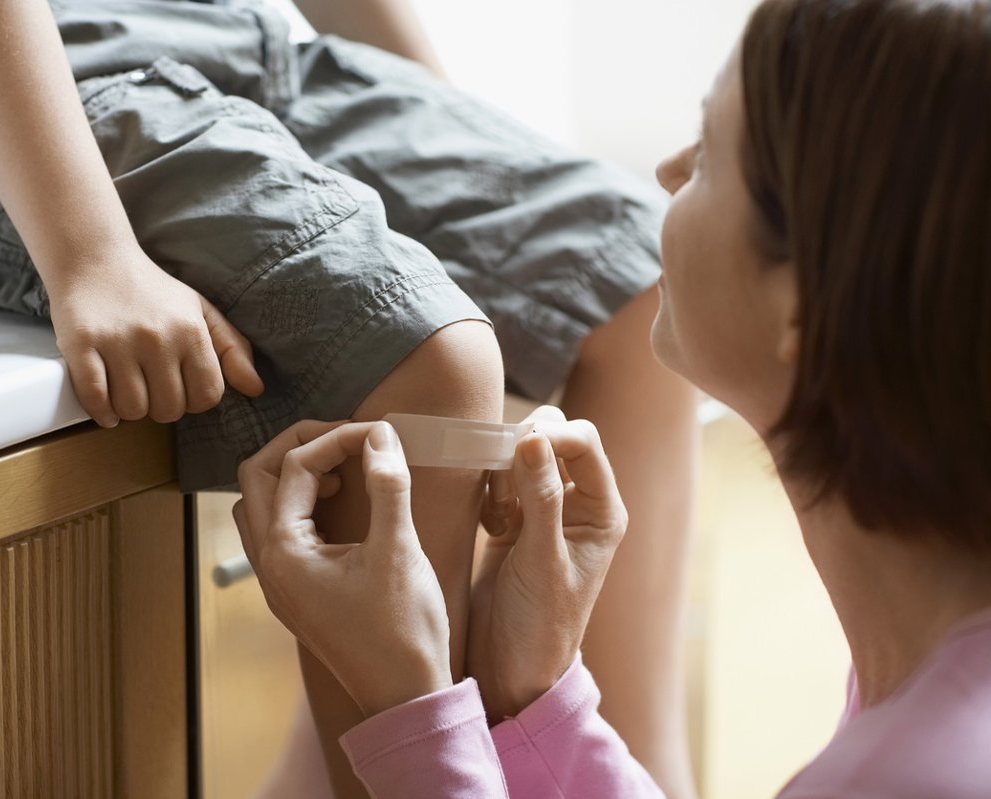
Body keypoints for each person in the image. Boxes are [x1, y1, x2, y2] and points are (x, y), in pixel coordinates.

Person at [0, 0, 698, 795]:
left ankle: (638, 779)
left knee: (652, 284)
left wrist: (449, 141)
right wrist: (89, 253)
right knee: (428, 359)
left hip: (254, 43)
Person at [233, 0, 991, 795]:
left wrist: (408, 705)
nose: (668, 170)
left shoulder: (921, 776)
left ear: (805, 305)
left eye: (709, 155)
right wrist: (538, 696)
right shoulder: (925, 688)